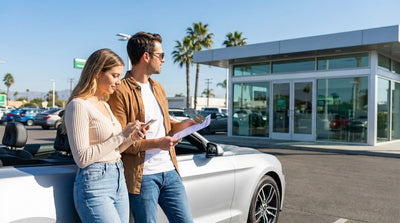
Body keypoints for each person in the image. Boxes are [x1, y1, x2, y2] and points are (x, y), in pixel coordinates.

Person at [108, 32, 196, 223]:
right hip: (143, 176)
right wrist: (159, 143)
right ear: (146, 57)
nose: (163, 60)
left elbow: (167, 128)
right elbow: (121, 143)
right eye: (161, 55)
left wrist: (188, 124)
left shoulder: (158, 88)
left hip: (170, 170)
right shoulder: (121, 91)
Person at [64, 48, 146, 223]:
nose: (119, 82)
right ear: (97, 73)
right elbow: (82, 158)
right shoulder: (78, 105)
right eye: (115, 75)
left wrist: (131, 137)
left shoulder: (105, 104)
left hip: (118, 176)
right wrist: (121, 135)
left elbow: (114, 150)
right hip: (94, 183)